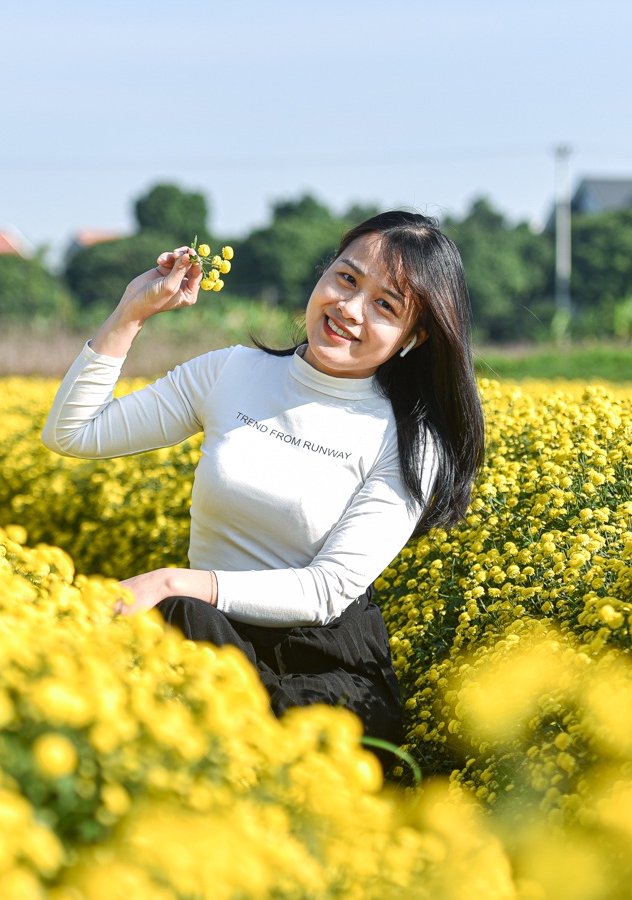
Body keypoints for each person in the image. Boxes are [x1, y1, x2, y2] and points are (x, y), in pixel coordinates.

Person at [41, 210, 484, 766]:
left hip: (323, 672)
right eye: (346, 279)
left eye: (385, 306)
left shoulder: (410, 439)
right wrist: (132, 312)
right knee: (175, 629)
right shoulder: (232, 373)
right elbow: (73, 433)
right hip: (206, 639)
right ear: (324, 275)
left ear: (413, 339)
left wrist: (173, 580)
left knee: (180, 624)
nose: (350, 309)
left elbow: (326, 592)